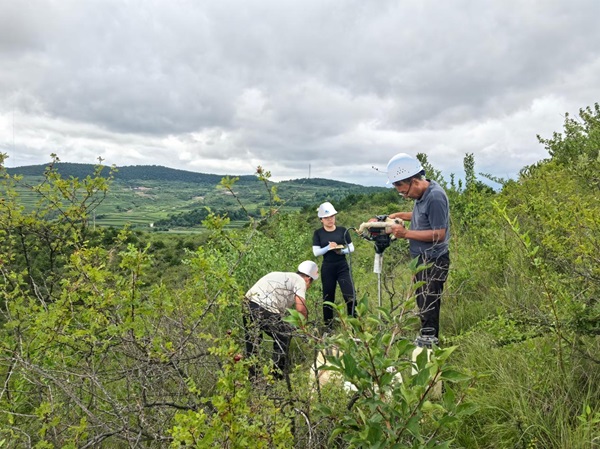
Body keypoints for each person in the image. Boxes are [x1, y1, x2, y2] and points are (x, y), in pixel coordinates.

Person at [384, 153, 450, 339]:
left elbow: (439, 234)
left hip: (433, 261)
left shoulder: (435, 197)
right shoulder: (422, 195)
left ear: (414, 181)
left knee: (429, 307)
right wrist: (397, 215)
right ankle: (427, 339)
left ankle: (429, 345)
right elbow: (421, 215)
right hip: (421, 260)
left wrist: (405, 234)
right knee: (422, 303)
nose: (405, 196)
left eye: (404, 192)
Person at [243, 260, 318, 379]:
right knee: (284, 336)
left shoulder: (283, 276)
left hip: (247, 304)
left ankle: (254, 378)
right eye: (310, 284)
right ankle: (276, 376)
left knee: (253, 341)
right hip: (264, 306)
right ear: (308, 279)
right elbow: (301, 308)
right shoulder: (300, 281)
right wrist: (303, 327)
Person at [312, 202, 356, 329]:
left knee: (350, 295)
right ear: (321, 219)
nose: (330, 219)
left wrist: (341, 251)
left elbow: (351, 248)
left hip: (342, 266)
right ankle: (328, 327)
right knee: (328, 298)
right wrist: (328, 247)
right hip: (328, 267)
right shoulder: (318, 233)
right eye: (326, 218)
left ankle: (355, 325)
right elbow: (316, 252)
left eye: (332, 216)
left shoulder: (343, 230)